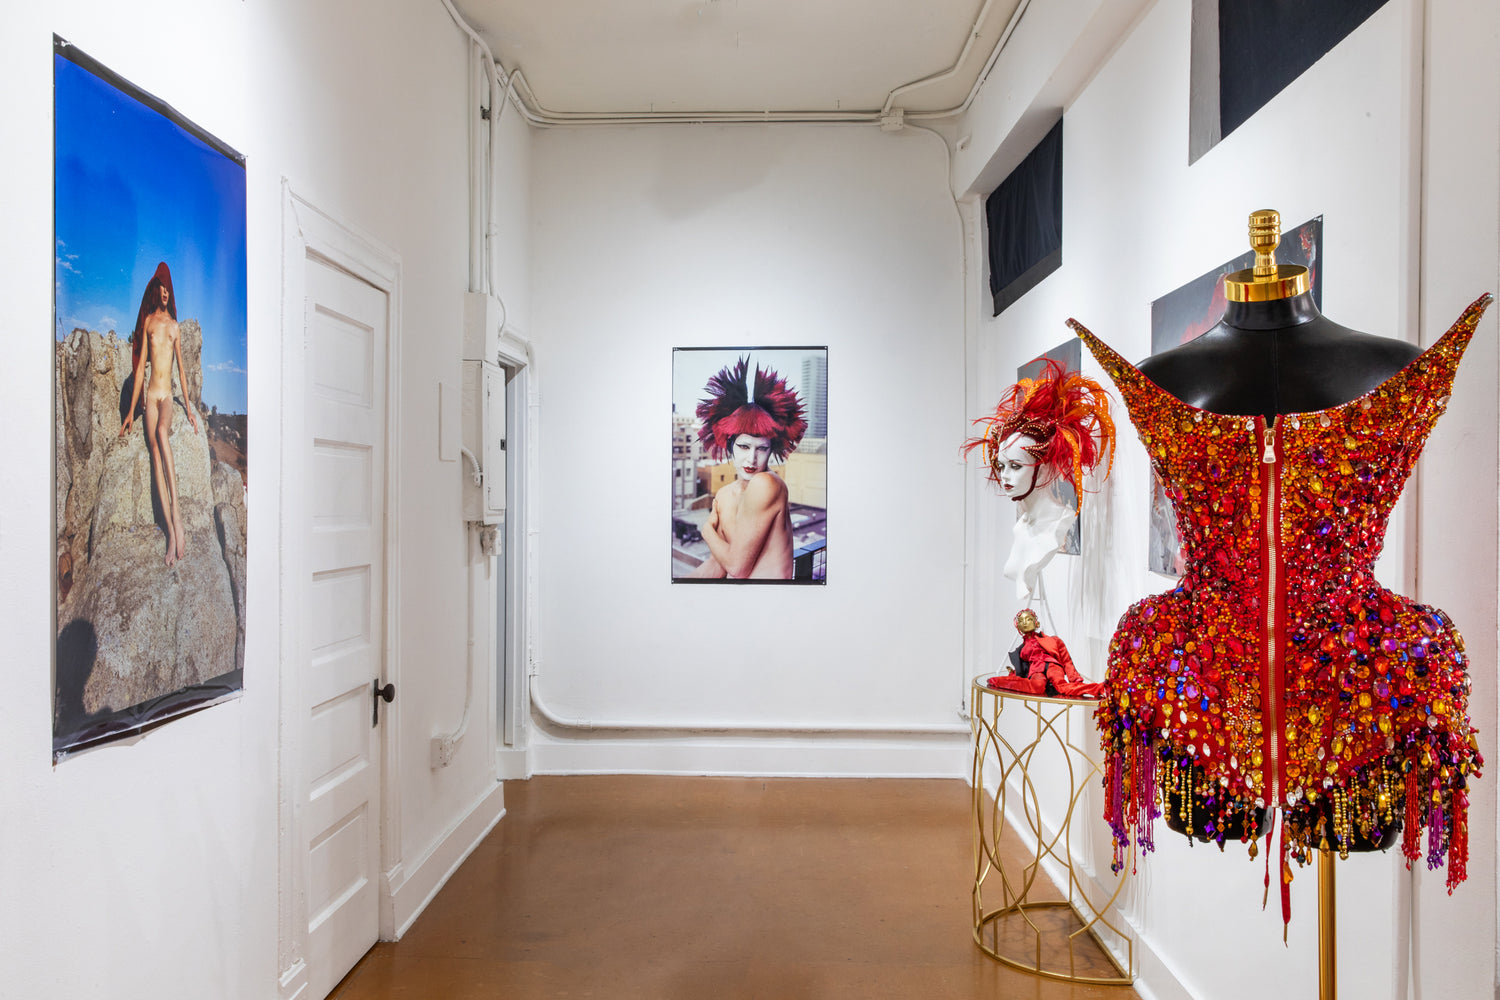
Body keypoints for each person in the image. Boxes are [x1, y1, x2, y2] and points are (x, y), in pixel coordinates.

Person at [964, 358, 1115, 600]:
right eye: (1001, 466)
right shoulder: (1022, 526)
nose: (1004, 475)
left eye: (1015, 466)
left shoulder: (1058, 523)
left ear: (1043, 470)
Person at [689, 357, 807, 580]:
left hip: (772, 598)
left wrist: (706, 531)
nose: (751, 459)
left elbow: (737, 568)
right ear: (731, 447)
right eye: (744, 447)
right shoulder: (724, 495)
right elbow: (716, 566)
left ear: (770, 451)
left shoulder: (767, 484)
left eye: (761, 449)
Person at [119, 262, 198, 567]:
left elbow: (182, 371)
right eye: (161, 287)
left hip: (166, 397)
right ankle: (170, 533)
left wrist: (188, 409)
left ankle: (177, 518)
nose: (165, 292)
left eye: (168, 288)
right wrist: (130, 412)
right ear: (156, 290)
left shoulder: (174, 327)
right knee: (154, 453)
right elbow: (141, 369)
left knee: (162, 432)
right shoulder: (150, 322)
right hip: (151, 397)